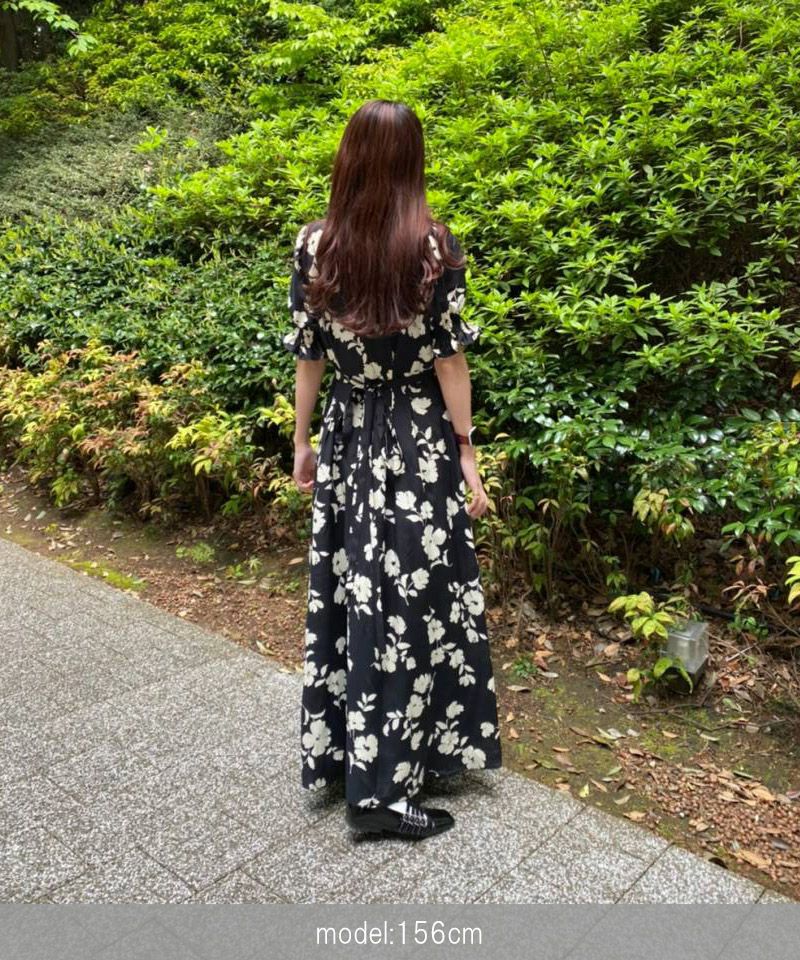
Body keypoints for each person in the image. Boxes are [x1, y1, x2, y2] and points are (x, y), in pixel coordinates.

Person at [282, 99, 502, 841]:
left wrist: (303, 440)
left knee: (357, 593)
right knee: (411, 598)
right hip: (415, 438)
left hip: (349, 432)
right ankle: (382, 796)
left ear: (347, 160)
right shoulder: (431, 247)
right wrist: (466, 450)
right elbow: (450, 362)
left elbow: (309, 355)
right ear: (412, 163)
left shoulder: (316, 246)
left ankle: (363, 758)